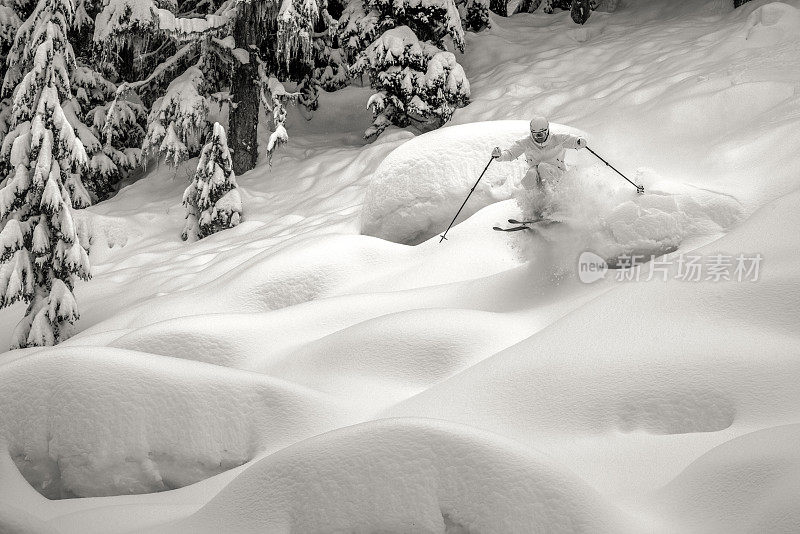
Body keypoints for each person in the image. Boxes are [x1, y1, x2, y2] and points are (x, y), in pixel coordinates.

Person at [492, 115, 587, 220]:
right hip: (538, 177)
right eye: (536, 134)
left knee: (542, 167)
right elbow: (510, 153)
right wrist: (500, 156)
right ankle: (532, 210)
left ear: (547, 131)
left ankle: (555, 205)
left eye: (542, 133)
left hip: (557, 176)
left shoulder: (557, 139)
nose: (539, 136)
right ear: (532, 133)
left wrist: (579, 141)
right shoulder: (526, 142)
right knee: (531, 174)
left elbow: (572, 140)